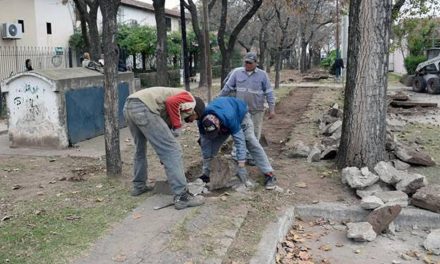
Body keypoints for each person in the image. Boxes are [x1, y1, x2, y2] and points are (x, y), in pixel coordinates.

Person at [123, 87, 206, 210]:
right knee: (174, 151)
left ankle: (138, 186)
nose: (192, 121)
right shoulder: (190, 99)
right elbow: (171, 102)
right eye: (196, 118)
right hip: (144, 106)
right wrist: (177, 128)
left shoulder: (172, 111)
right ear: (195, 112)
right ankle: (182, 197)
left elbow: (163, 133)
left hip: (129, 106)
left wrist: (165, 155)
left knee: (140, 149)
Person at [197, 97, 277, 190]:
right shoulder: (201, 121)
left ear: (218, 125)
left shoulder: (230, 118)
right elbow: (205, 144)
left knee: (250, 141)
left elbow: (240, 142)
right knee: (211, 149)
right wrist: (206, 167)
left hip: (240, 114)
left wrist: (241, 165)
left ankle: (269, 174)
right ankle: (207, 174)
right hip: (222, 120)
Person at [219, 52, 276, 141]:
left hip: (256, 110)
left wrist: (272, 109)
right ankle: (239, 153)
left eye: (250, 63)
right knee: (239, 132)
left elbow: (269, 92)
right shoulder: (237, 73)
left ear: (256, 63)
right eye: (246, 62)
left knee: (255, 133)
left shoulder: (262, 75)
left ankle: (252, 153)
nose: (247, 64)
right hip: (241, 110)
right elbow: (227, 88)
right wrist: (218, 100)